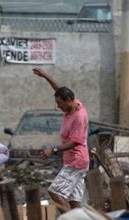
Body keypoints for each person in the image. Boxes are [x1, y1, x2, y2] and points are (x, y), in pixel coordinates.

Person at [33, 67, 89, 211]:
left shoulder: (79, 117)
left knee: (55, 192)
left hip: (76, 161)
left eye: (60, 104)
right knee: (74, 201)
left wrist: (53, 149)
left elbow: (75, 142)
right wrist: (45, 76)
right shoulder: (73, 103)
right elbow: (59, 89)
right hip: (76, 161)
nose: (58, 107)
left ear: (69, 101)